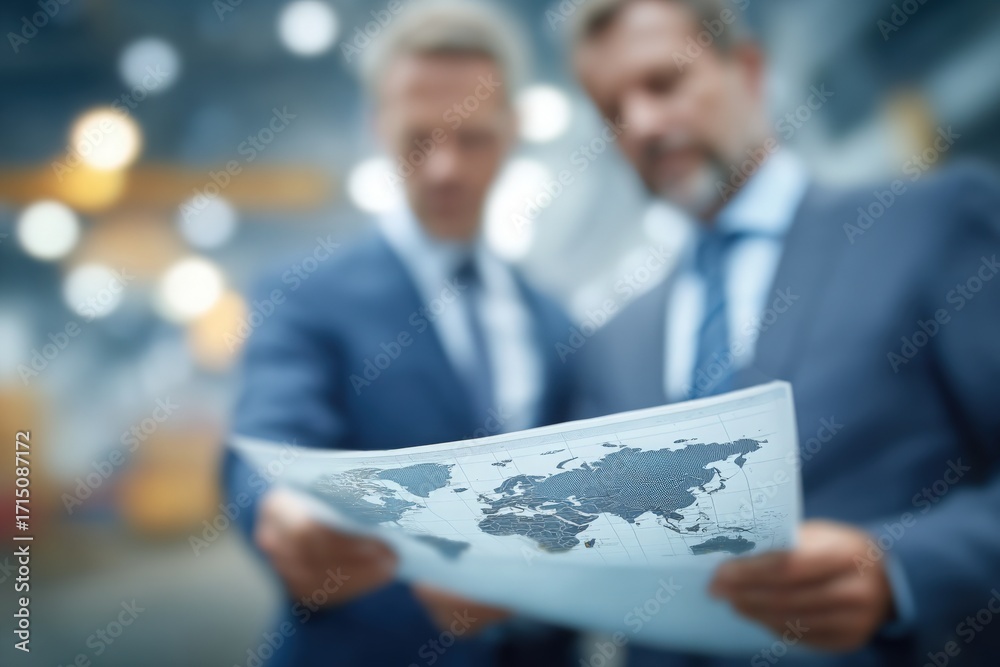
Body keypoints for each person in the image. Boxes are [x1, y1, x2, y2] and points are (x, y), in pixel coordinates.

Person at [567, 0, 1000, 665]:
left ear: (747, 69)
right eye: (613, 111)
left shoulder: (929, 227)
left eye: (663, 83)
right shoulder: (613, 345)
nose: (644, 124)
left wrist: (901, 570)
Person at [223, 3, 578, 665]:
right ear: (376, 127)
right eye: (419, 139)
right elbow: (268, 435)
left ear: (514, 131)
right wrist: (280, 510)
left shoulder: (554, 322)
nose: (445, 167)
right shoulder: (304, 297)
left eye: (471, 138)